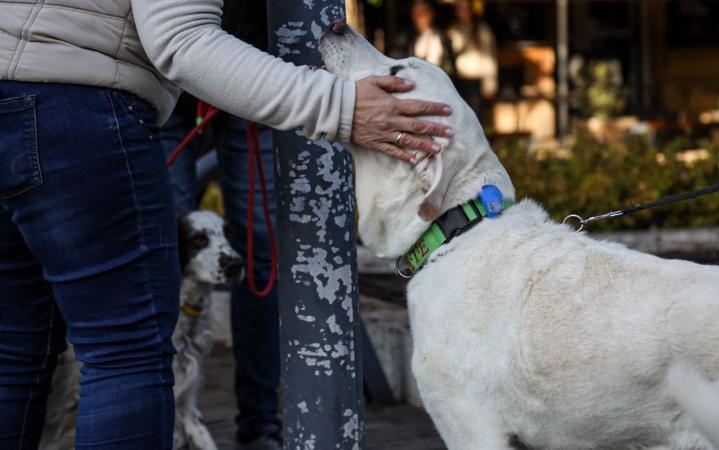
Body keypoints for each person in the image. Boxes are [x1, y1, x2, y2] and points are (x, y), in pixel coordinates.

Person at [0, 1, 453, 449]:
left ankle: (256, 422)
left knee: (17, 353)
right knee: (124, 353)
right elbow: (181, 38)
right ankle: (255, 424)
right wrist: (342, 106)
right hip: (81, 105)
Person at [160, 2, 283, 449]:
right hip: (164, 69)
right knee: (164, 253)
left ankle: (260, 422)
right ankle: (166, 417)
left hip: (250, 69)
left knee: (259, 253)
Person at [447, 0, 498, 119]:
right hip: (459, 80)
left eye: (466, 8)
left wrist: (490, 84)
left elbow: (489, 58)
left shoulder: (482, 30)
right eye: (460, 8)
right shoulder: (453, 30)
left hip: (476, 81)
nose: (463, 12)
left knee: (475, 116)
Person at [410, 0, 455, 75]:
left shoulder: (442, 37)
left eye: (424, 12)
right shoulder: (407, 40)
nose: (421, 16)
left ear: (432, 13)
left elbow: (449, 64)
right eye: (417, 12)